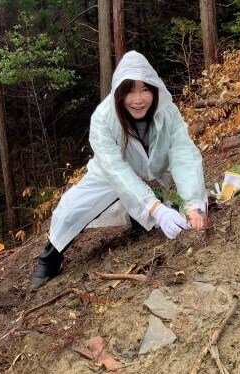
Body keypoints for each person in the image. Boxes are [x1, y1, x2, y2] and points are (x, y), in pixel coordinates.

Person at [31, 51, 208, 289]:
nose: (138, 99)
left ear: (154, 90)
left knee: (178, 203)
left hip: (154, 169)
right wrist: (155, 209)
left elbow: (183, 154)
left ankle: (144, 218)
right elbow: (116, 170)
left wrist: (192, 203)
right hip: (109, 174)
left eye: (145, 89)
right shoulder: (103, 119)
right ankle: (50, 258)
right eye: (130, 91)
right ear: (119, 93)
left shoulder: (168, 112)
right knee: (73, 208)